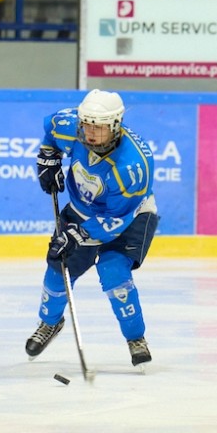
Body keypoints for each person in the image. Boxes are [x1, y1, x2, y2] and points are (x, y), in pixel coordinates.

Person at [28, 89, 159, 367]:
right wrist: (48, 157)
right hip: (82, 208)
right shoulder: (70, 125)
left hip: (131, 215)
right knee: (58, 268)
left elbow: (116, 220)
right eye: (86, 125)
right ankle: (49, 322)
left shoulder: (132, 167)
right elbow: (50, 131)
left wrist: (76, 235)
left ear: (115, 126)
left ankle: (135, 338)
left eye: (98, 128)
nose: (89, 133)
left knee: (113, 271)